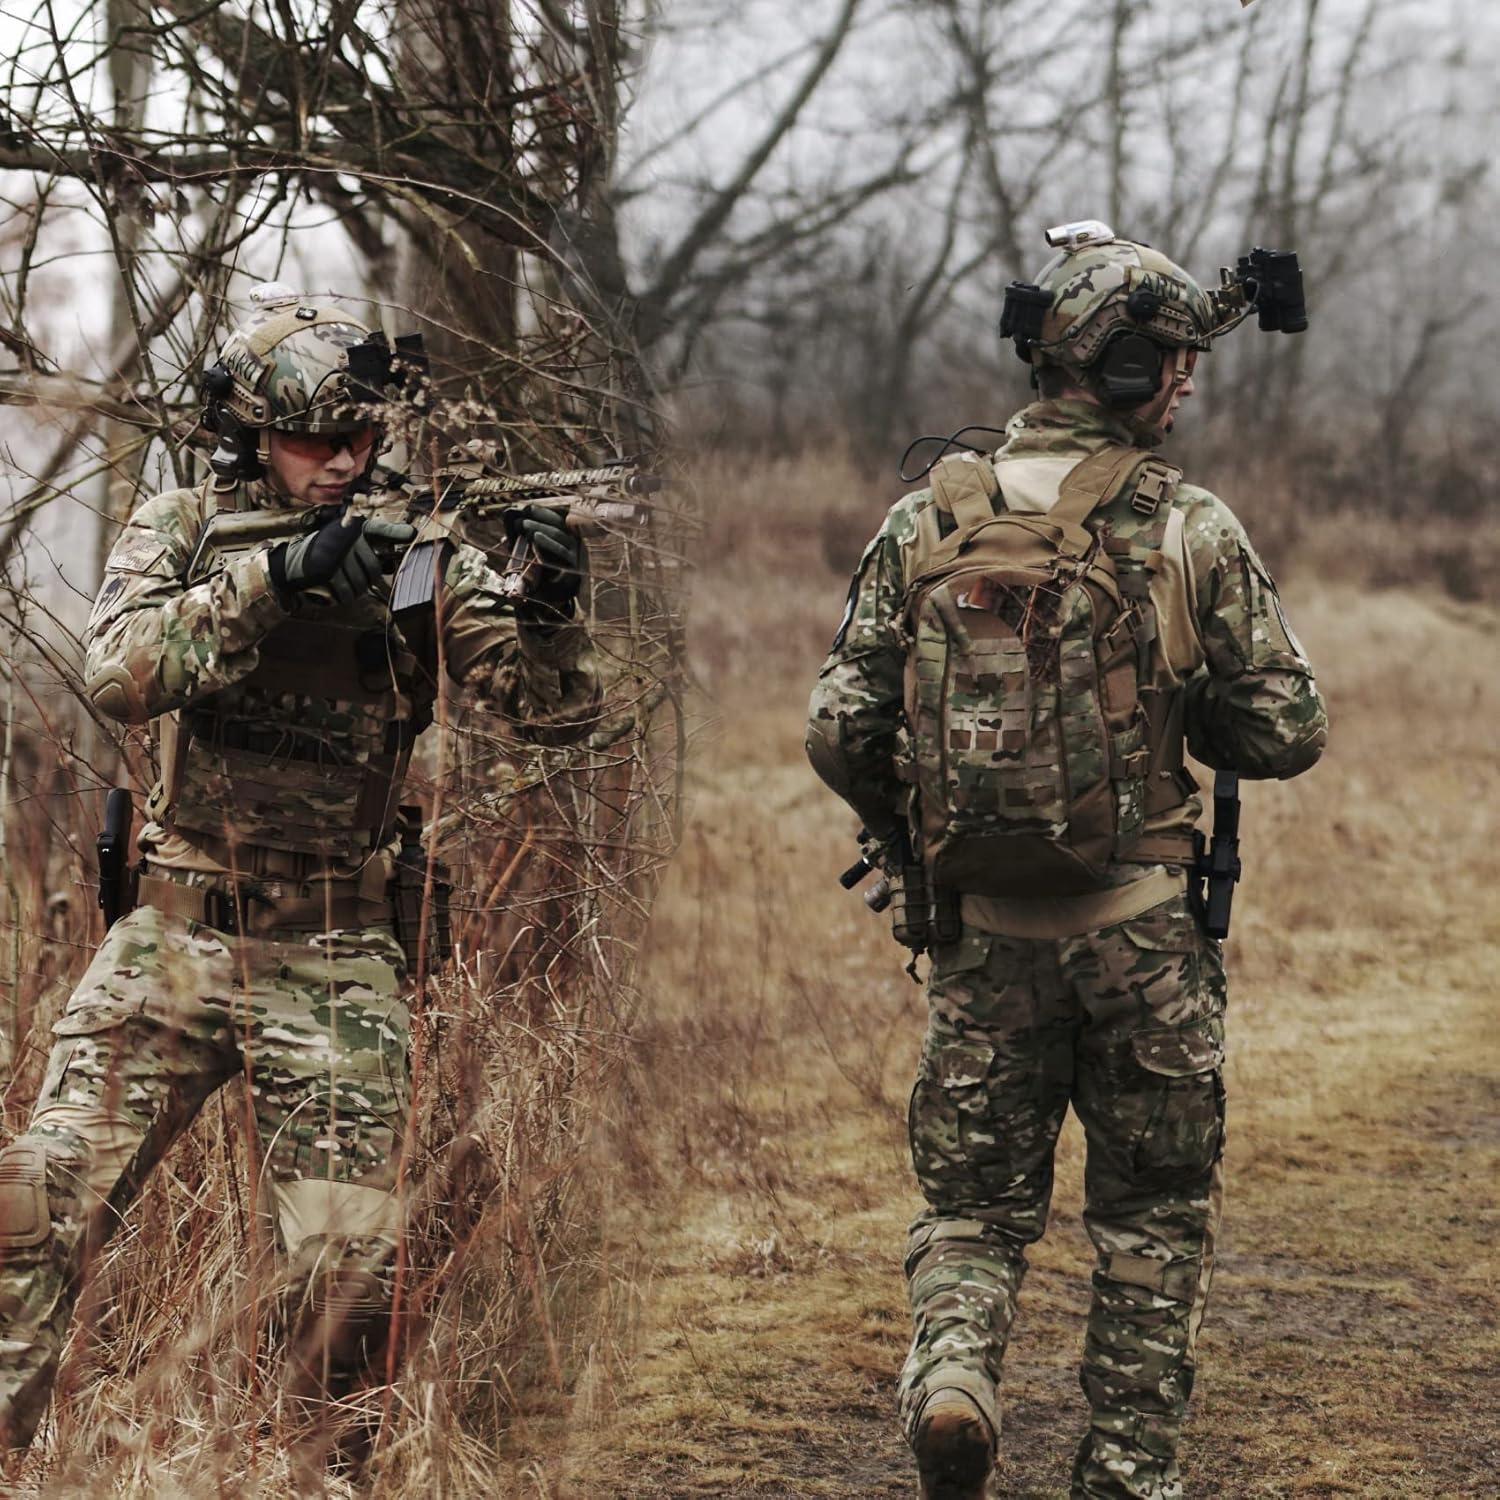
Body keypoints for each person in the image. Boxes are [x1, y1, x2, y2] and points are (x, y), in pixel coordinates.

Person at [0, 283, 598, 1451]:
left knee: (346, 1275)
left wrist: (554, 610)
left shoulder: (413, 558)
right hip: (174, 937)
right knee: (33, 1207)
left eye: (360, 440)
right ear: (249, 436)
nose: (341, 462)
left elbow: (556, 716)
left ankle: (316, 1476)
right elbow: (117, 673)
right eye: (315, 440)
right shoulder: (182, 529)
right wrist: (274, 584)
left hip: (332, 948)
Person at [806, 225, 1328, 1499]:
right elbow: (1288, 729)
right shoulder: (1187, 527)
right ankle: (1125, 1472)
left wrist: (915, 843)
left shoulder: (928, 517)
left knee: (974, 1207)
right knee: (1150, 1217)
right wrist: (1180, 709)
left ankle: (954, 1378)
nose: (1190, 387)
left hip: (981, 931)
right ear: (1137, 370)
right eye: (1180, 366)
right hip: (1145, 932)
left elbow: (838, 726)